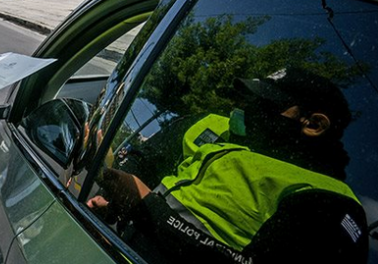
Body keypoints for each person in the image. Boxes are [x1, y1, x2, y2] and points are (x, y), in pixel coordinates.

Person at [88, 68, 368, 264]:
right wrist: (115, 193)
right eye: (252, 98)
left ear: (314, 125)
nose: (249, 109)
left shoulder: (328, 202)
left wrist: (145, 207)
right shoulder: (213, 127)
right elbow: (147, 159)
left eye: (266, 105)